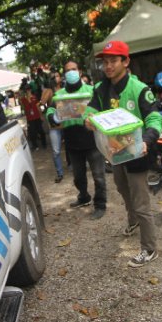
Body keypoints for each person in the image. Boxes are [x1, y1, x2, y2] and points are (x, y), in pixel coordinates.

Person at [84, 41, 162, 267]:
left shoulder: (139, 89)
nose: (107, 66)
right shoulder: (101, 88)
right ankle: (133, 220)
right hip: (115, 151)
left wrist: (147, 140)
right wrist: (88, 119)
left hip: (138, 151)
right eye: (104, 62)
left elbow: (155, 119)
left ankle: (149, 248)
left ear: (125, 62)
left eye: (113, 61)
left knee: (141, 201)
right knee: (121, 186)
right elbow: (91, 109)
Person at [47, 61, 107, 219]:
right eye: (67, 70)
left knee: (99, 175)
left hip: (92, 138)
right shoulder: (59, 95)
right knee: (78, 176)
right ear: (64, 75)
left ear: (80, 72)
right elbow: (51, 109)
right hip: (72, 140)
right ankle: (84, 196)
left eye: (74, 69)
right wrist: (52, 116)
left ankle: (100, 204)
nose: (71, 72)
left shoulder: (91, 90)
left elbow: (102, 107)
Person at [45, 71, 65, 183]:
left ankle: (73, 166)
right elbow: (41, 104)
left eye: (58, 76)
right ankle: (60, 173)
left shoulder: (65, 89)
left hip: (66, 122)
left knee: (71, 147)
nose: (57, 78)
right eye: (54, 76)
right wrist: (46, 116)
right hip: (54, 126)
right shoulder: (48, 91)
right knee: (56, 151)